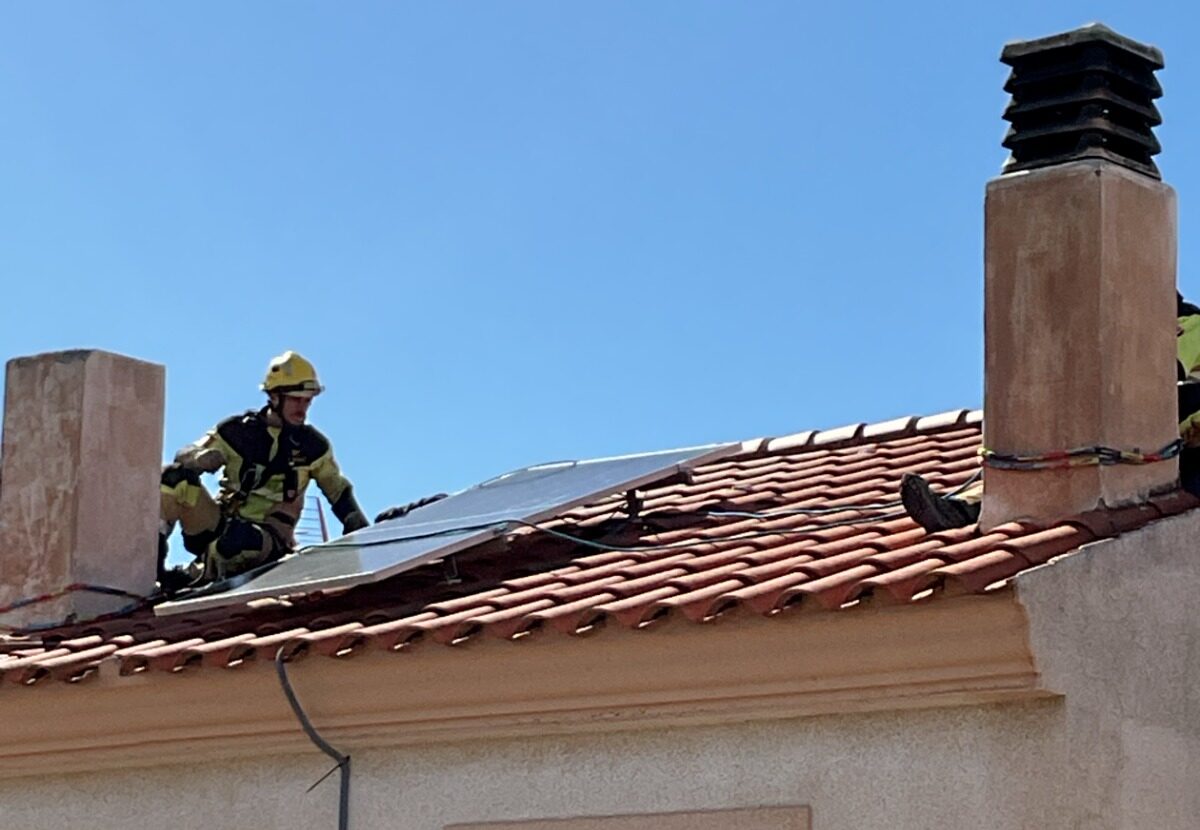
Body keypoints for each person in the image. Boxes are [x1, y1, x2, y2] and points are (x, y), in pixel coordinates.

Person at [901, 291, 1200, 532]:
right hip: (1153, 445)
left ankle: (966, 508)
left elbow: (1157, 378)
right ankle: (963, 508)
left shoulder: (1189, 325)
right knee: (1042, 457)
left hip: (1177, 451)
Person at [158, 351, 369, 592]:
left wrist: (362, 535)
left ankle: (193, 576)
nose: (303, 408)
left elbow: (338, 491)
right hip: (218, 526)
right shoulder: (235, 431)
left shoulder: (314, 446)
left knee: (239, 540)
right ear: (274, 397)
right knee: (174, 479)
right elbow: (184, 455)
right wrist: (198, 458)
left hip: (267, 542)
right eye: (295, 399)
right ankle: (152, 568)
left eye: (307, 401)